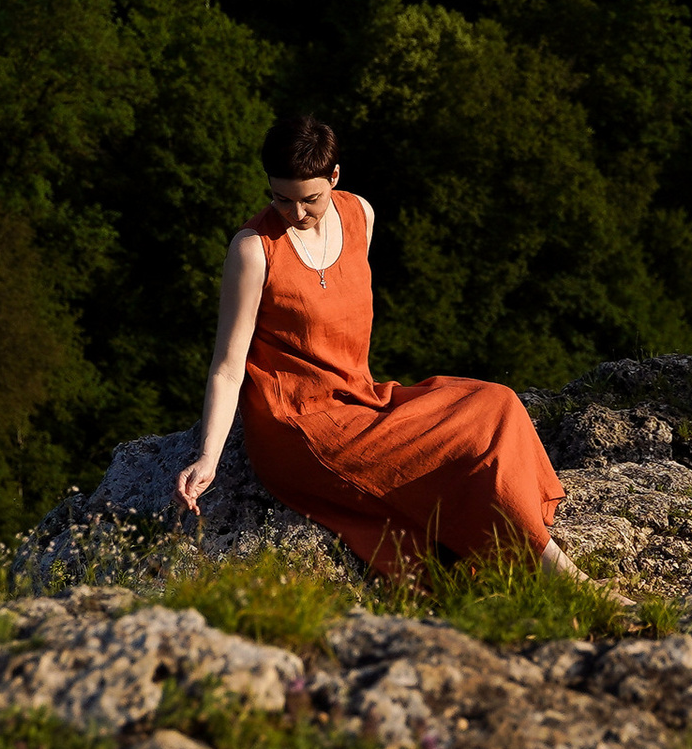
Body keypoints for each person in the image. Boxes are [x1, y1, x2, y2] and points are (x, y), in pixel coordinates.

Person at [174, 114, 578, 577]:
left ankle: (519, 541)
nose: (296, 213)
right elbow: (228, 366)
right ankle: (560, 573)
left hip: (362, 398)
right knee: (452, 451)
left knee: (496, 404)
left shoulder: (360, 214)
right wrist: (209, 455)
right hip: (298, 423)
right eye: (280, 197)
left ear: (335, 177)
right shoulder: (252, 249)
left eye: (310, 199)